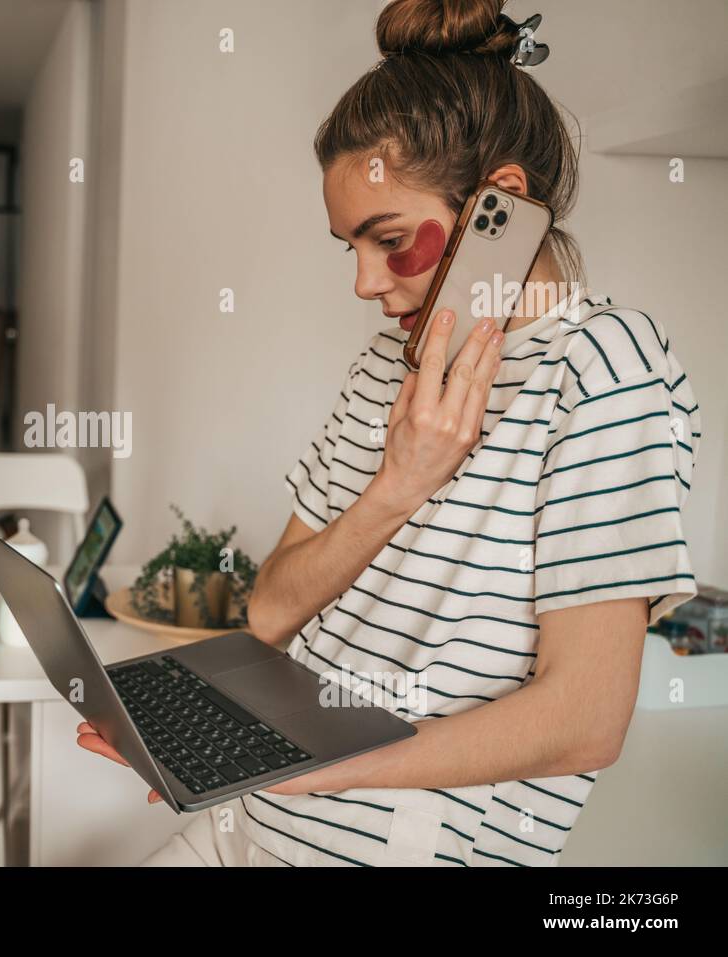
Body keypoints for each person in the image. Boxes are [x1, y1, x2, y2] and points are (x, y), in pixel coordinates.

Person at [79, 0, 700, 866]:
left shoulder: (604, 366)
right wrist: (398, 485)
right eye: (351, 249)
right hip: (252, 819)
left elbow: (585, 719)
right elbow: (271, 607)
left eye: (391, 239)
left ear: (503, 205)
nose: (368, 282)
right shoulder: (388, 362)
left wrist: (308, 766)